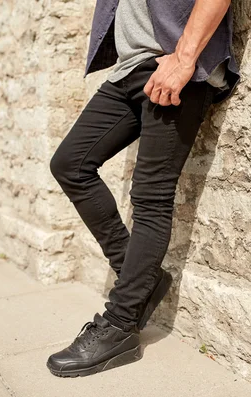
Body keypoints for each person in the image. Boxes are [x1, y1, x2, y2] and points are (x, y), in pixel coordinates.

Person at [47, 0, 239, 377]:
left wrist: (184, 59)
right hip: (129, 70)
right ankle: (140, 278)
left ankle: (120, 324)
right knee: (70, 164)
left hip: (174, 66)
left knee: (151, 197)